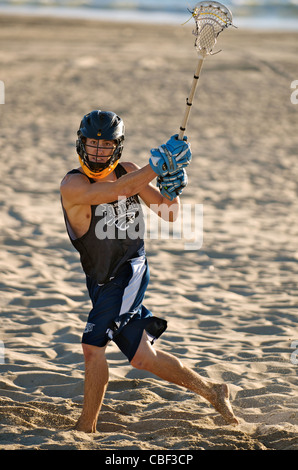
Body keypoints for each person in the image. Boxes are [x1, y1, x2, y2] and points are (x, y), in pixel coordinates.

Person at [60, 109, 239, 433]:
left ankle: (85, 429)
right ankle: (214, 392)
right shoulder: (74, 185)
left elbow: (168, 214)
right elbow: (115, 192)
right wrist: (155, 167)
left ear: (118, 147)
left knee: (92, 346)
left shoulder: (128, 172)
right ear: (80, 144)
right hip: (101, 283)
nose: (99, 152)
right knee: (144, 358)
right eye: (93, 144)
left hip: (130, 271)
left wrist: (172, 188)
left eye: (107, 145)